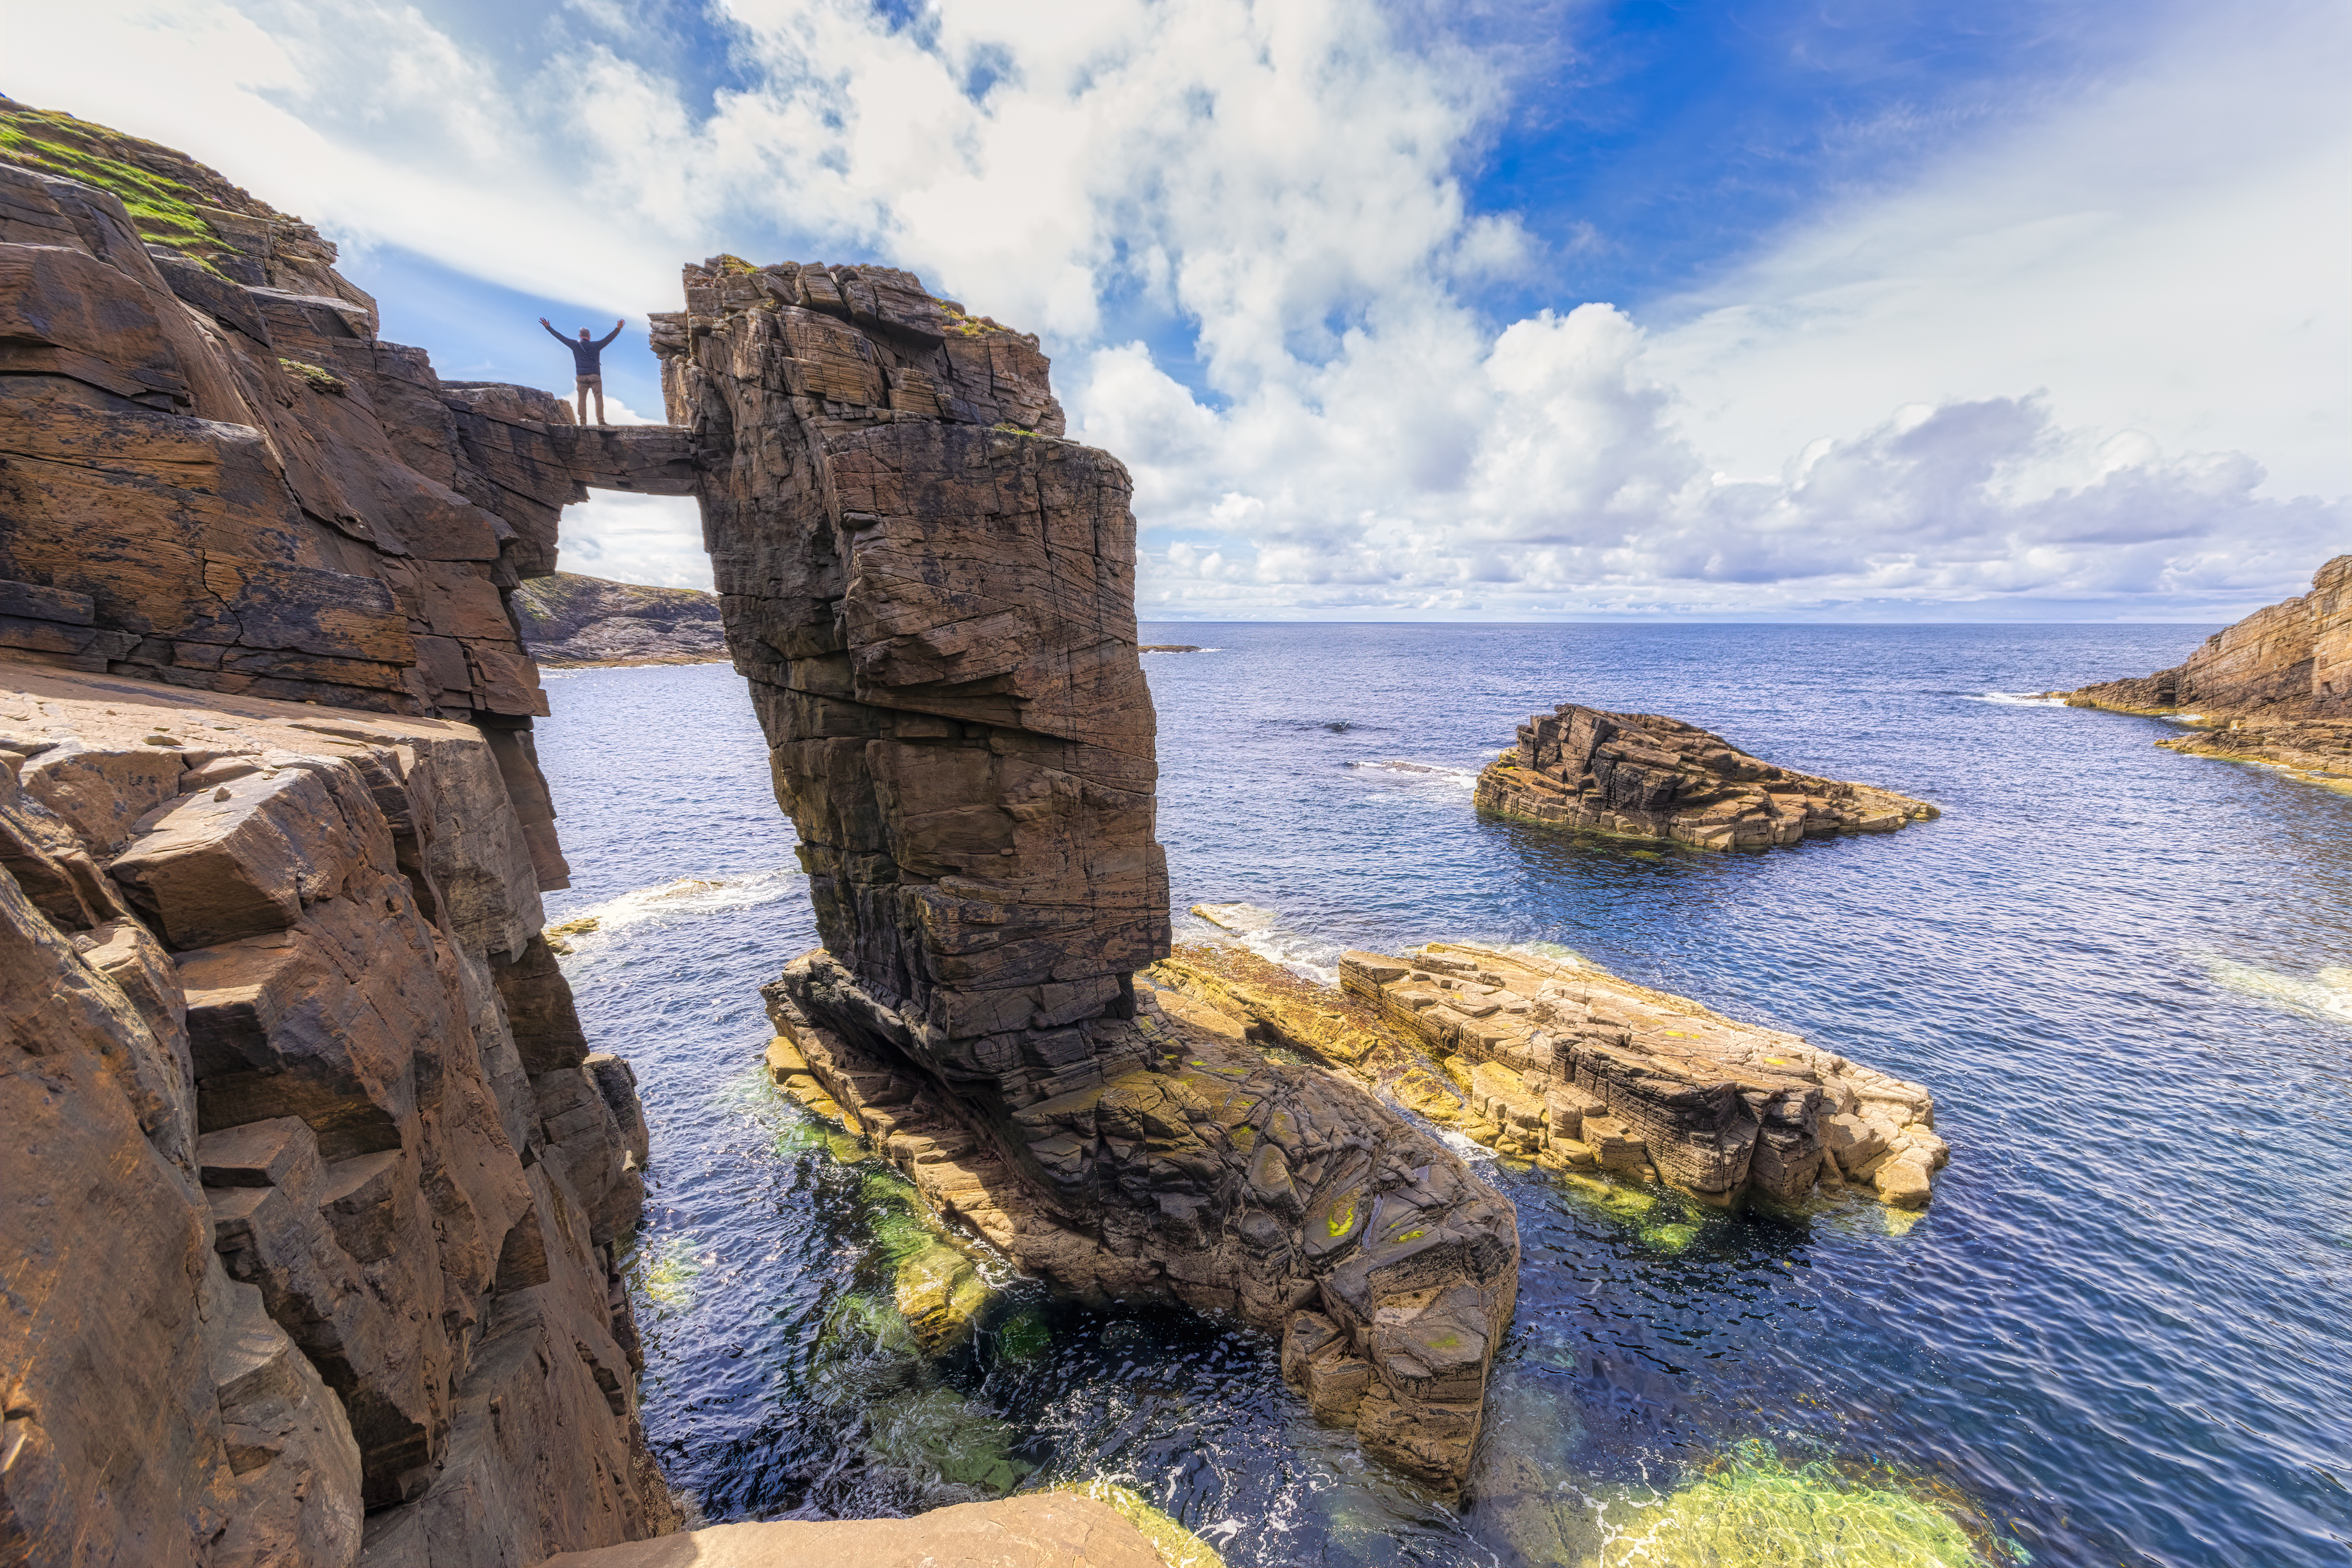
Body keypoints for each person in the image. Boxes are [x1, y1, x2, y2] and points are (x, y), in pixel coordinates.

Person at [540, 316, 625, 425]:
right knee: (599, 399)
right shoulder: (596, 345)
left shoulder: (575, 344)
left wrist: (549, 328)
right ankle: (601, 421)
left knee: (582, 400)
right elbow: (609, 339)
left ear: (580, 336)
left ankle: (583, 423)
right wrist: (618, 329)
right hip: (595, 377)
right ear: (589, 336)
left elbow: (561, 338)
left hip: (581, 377)